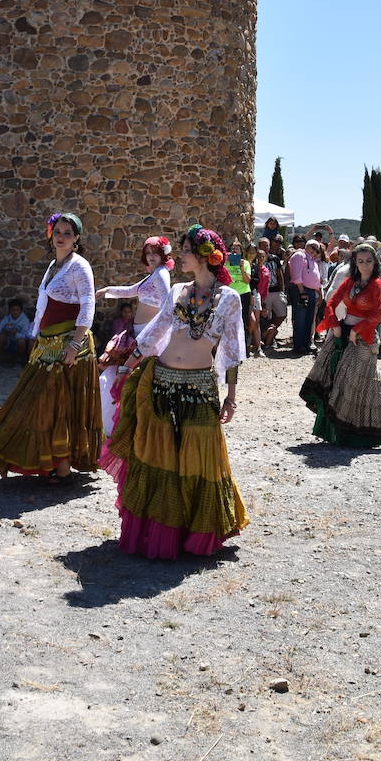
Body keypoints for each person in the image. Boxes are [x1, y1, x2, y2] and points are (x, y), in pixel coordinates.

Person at [101, 224, 248, 559]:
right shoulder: (179, 291)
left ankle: (194, 531)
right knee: (161, 457)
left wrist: (232, 397)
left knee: (198, 459)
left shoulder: (228, 299)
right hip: (163, 381)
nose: (179, 256)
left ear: (203, 256)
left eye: (184, 250)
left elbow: (232, 349)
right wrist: (128, 363)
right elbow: (156, 331)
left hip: (199, 387)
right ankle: (161, 530)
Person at [0, 212, 100, 483]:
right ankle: (48, 460)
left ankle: (61, 467)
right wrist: (35, 337)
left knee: (60, 405)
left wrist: (74, 344)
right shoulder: (53, 266)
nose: (60, 237)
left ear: (77, 238)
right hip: (47, 344)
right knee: (40, 403)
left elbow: (88, 306)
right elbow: (42, 308)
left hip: (69, 345)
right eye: (57, 232)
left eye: (67, 233)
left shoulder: (80, 266)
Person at [300, 243, 381, 451]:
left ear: (375, 263)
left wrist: (357, 330)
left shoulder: (377, 286)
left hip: (363, 337)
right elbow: (331, 304)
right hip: (343, 333)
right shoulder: (350, 282)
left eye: (368, 261)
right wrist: (335, 324)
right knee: (333, 376)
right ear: (355, 263)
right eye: (360, 261)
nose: (364, 265)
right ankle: (338, 432)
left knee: (366, 383)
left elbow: (378, 313)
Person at [96, 235, 174, 432]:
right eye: (147, 253)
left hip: (148, 336)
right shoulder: (154, 275)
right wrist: (107, 290)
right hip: (138, 332)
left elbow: (167, 306)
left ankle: (132, 429)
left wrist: (149, 334)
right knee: (123, 376)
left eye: (154, 253)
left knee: (134, 379)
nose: (150, 257)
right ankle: (119, 427)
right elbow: (131, 290)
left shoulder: (162, 274)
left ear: (163, 255)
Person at [288, 234, 321, 356]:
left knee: (308, 319)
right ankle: (299, 346)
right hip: (301, 290)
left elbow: (316, 279)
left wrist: (319, 293)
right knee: (300, 319)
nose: (314, 251)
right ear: (307, 246)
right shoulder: (299, 255)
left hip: (311, 291)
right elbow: (296, 276)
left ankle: (306, 345)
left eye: (316, 249)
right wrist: (302, 292)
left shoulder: (312, 260)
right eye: (312, 247)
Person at [0, 296, 33, 364]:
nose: (15, 312)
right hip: (8, 341)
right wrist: (5, 331)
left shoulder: (25, 320)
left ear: (21, 310)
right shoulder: (7, 318)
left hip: (20, 343)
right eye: (13, 310)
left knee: (21, 341)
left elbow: (26, 336)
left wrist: (16, 334)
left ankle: (21, 360)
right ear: (9, 310)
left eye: (17, 310)